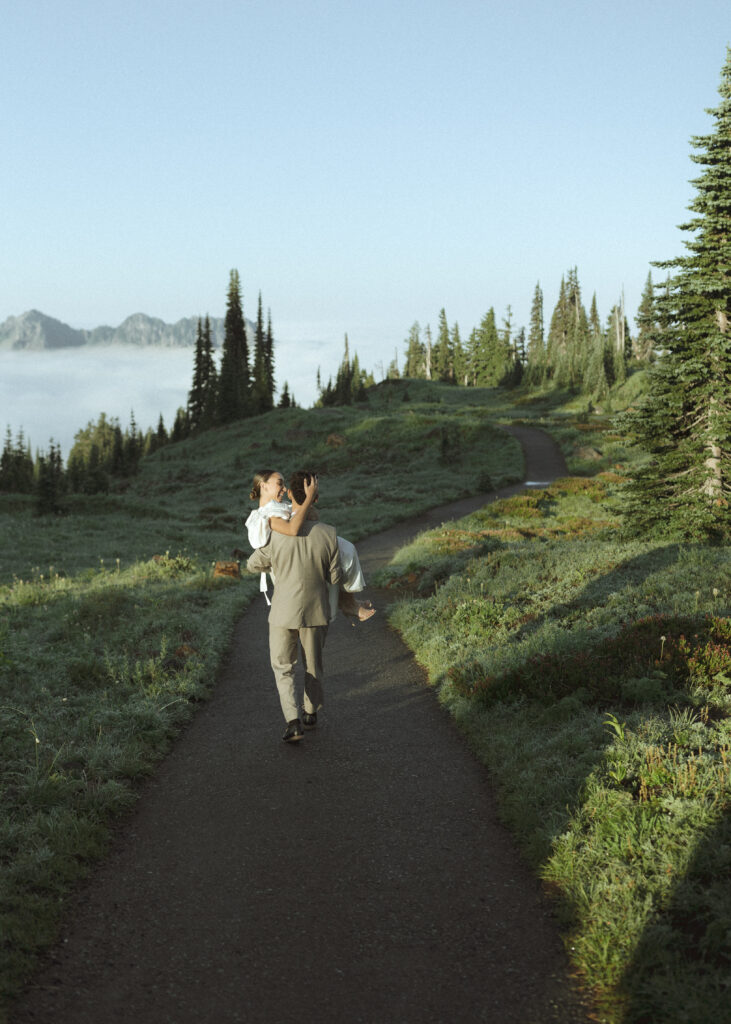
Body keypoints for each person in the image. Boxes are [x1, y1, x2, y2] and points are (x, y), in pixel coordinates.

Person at [246, 471, 342, 742]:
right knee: (313, 664)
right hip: (315, 610)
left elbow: (253, 563)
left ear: (290, 494)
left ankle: (293, 722)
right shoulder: (329, 534)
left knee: (283, 667)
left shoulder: (274, 531)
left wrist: (273, 563)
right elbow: (335, 577)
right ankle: (311, 711)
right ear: (314, 494)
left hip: (282, 612)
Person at [245, 469, 374, 622]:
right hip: (291, 555)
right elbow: (292, 530)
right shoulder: (266, 515)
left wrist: (305, 501)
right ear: (263, 486)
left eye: (285, 485)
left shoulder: (278, 507)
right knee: (345, 550)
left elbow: (309, 518)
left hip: (302, 546)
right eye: (280, 483)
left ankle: (346, 600)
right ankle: (347, 602)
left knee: (345, 550)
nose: (284, 489)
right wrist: (308, 500)